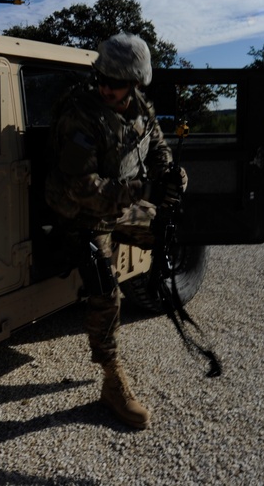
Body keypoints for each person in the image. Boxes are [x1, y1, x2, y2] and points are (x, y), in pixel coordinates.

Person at [45, 32, 186, 430]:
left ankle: (149, 280)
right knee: (106, 293)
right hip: (81, 214)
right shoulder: (81, 113)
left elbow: (155, 149)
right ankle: (112, 381)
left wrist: (171, 174)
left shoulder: (141, 108)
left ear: (136, 83)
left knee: (165, 226)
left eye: (116, 83)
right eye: (102, 79)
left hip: (118, 204)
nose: (105, 88)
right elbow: (80, 187)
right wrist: (141, 190)